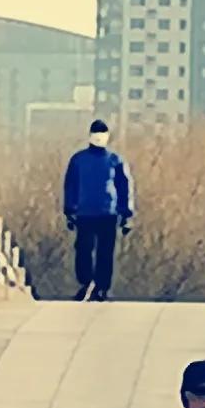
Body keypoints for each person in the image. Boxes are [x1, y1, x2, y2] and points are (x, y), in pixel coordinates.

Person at [60, 117, 133, 301]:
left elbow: (70, 186)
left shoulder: (105, 160)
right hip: (98, 212)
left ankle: (95, 285)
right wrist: (126, 214)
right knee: (97, 251)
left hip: (97, 213)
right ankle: (94, 285)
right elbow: (124, 189)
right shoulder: (111, 160)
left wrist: (69, 210)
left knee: (94, 250)